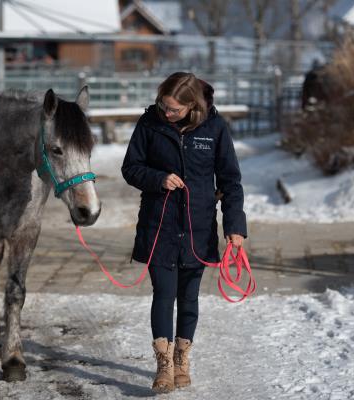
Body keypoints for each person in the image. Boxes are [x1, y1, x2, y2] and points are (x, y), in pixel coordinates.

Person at [121, 72, 247, 393]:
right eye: (163, 106)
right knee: (163, 294)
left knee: (189, 297)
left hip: (198, 227)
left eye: (174, 110)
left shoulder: (215, 128)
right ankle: (163, 364)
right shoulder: (150, 123)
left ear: (193, 106)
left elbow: (230, 181)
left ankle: (182, 358)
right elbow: (130, 168)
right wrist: (158, 178)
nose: (167, 113)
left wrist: (235, 227)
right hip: (158, 226)